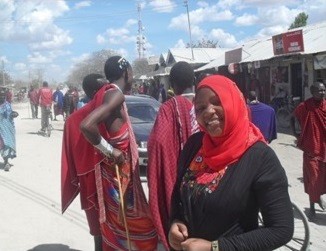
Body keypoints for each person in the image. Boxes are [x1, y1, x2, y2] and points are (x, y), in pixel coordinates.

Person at [169, 75, 294, 251]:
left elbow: (281, 229)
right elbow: (178, 195)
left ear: (233, 101)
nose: (208, 111)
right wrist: (175, 221)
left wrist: (215, 247)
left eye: (216, 102)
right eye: (200, 108)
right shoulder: (195, 145)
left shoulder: (260, 157)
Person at [79, 56, 157, 250]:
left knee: (120, 226)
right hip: (119, 176)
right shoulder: (115, 95)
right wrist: (110, 150)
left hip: (117, 174)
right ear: (127, 73)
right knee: (143, 230)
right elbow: (87, 125)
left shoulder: (107, 93)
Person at [147, 61, 199, 250]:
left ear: (172, 84)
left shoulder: (169, 108)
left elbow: (158, 144)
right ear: (194, 80)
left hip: (183, 186)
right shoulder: (208, 102)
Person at [291, 81, 326, 218]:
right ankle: (312, 205)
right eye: (320, 91)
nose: (322, 93)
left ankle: (317, 197)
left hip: (324, 147)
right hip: (312, 149)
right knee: (314, 178)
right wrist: (296, 134)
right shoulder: (304, 106)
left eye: (324, 90)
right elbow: (292, 118)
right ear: (312, 92)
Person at [0, 88, 18, 171]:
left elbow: (10, 113)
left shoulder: (7, 104)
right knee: (3, 144)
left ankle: (6, 162)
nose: (2, 97)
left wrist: (14, 113)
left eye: (3, 95)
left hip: (7, 128)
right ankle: (6, 162)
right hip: (1, 129)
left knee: (6, 144)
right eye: (1, 95)